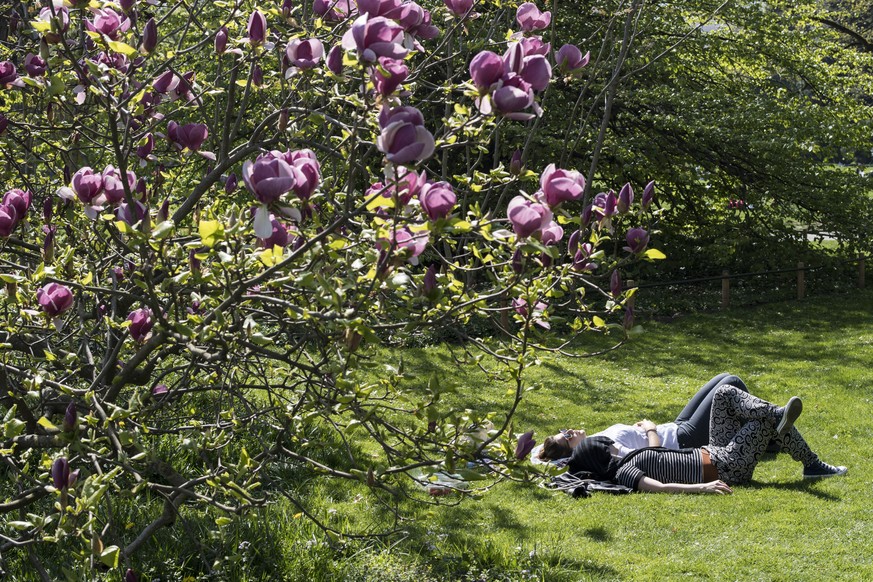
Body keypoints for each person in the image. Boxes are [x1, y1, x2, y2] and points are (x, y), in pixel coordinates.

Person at [564, 384, 847, 494]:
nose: (613, 444)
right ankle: (810, 462)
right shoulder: (624, 472)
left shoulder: (629, 459)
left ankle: (780, 413)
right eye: (608, 446)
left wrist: (651, 431)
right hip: (726, 466)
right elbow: (659, 487)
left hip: (711, 450)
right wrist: (703, 487)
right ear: (602, 456)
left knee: (724, 393)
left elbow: (658, 452)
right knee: (766, 423)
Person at [537, 373, 749, 462]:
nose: (570, 432)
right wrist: (650, 429)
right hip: (684, 439)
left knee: (723, 376)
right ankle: (769, 430)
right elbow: (652, 457)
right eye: (568, 437)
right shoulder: (601, 450)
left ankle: (757, 430)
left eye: (564, 431)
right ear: (572, 450)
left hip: (676, 427)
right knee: (732, 383)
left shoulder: (595, 438)